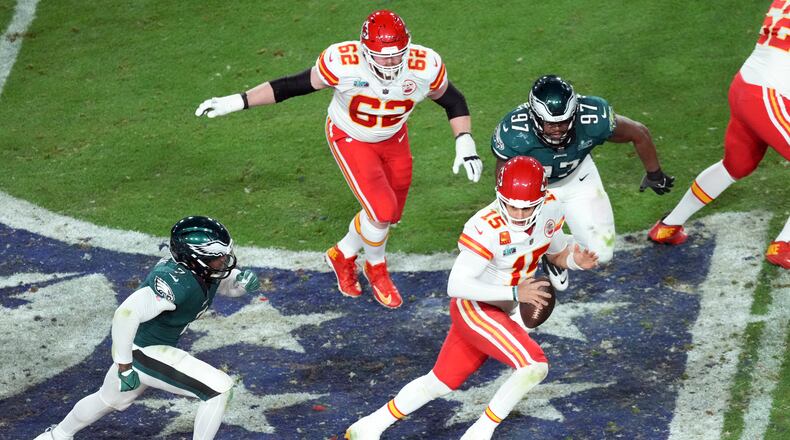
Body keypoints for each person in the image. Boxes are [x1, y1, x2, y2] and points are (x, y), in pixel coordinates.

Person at [194, 10, 483, 309]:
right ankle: (377, 269)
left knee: (388, 216)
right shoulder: (343, 63)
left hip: (394, 137)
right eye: (382, 56)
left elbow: (453, 100)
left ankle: (342, 253)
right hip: (350, 137)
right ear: (364, 51)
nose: (391, 62)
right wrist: (237, 101)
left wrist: (465, 141)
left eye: (398, 55)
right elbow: (290, 86)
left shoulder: (425, 67)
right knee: (381, 212)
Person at [344, 156, 598, 440]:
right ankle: (480, 433)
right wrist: (516, 292)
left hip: (500, 310)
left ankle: (368, 426)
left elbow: (557, 251)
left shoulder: (550, 208)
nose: (516, 213)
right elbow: (457, 285)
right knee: (534, 365)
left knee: (440, 382)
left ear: (541, 199)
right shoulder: (485, 226)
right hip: (475, 308)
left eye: (525, 207)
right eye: (510, 204)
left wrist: (575, 260)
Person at [34, 216, 261, 440]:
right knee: (219, 389)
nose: (224, 261)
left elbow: (226, 286)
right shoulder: (173, 282)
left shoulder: (199, 269)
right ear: (195, 259)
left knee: (109, 399)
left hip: (148, 347)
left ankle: (56, 436)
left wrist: (241, 284)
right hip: (141, 351)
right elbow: (125, 314)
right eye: (217, 257)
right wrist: (124, 365)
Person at [490, 74, 674, 291]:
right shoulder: (514, 132)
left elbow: (638, 132)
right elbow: (505, 177)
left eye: (564, 122)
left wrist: (655, 174)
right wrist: (518, 212)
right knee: (516, 245)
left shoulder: (593, 116)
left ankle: (554, 252)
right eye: (550, 123)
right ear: (534, 117)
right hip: (537, 190)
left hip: (579, 177)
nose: (558, 129)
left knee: (601, 254)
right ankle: (553, 254)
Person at [648, 0, 790, 269]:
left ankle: (668, 226)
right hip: (770, 94)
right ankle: (785, 246)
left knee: (736, 165)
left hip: (746, 87)